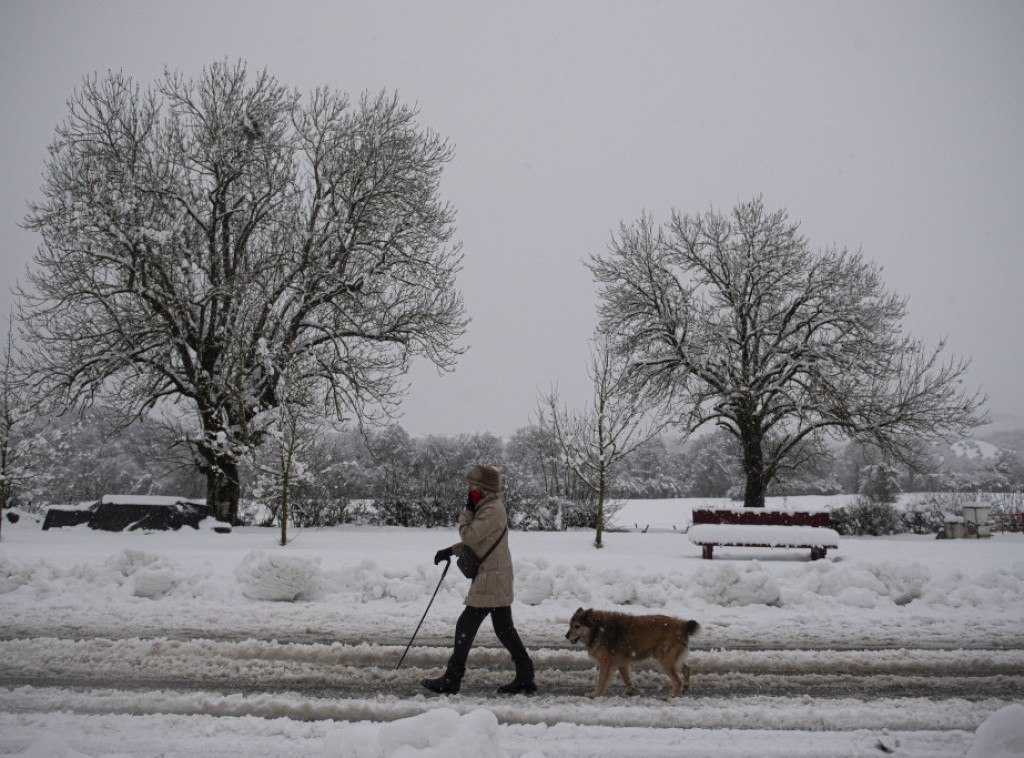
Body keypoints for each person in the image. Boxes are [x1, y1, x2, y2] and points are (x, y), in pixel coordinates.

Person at [421, 464, 536, 695]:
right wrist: (450, 551)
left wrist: (467, 510)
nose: (469, 488)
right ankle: (525, 676)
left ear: (484, 488)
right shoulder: (487, 507)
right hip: (494, 574)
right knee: (504, 629)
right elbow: (479, 541)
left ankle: (453, 679)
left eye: (473, 485)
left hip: (491, 577)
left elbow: (470, 535)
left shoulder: (491, 510)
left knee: (466, 625)